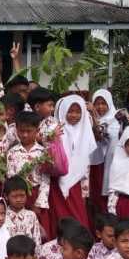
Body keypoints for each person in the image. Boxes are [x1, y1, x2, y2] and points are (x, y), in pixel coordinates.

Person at [49, 95, 97, 232]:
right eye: (70, 111)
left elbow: (86, 160)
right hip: (58, 181)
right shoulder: (55, 129)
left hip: (78, 184)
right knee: (60, 216)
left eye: (78, 111)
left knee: (78, 215)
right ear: (63, 111)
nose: (74, 115)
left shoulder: (85, 129)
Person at [6, 112, 51, 232]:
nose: (25, 135)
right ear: (16, 130)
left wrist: (39, 202)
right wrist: (13, 199)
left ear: (37, 130)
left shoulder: (43, 152)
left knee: (37, 229)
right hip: (18, 195)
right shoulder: (12, 152)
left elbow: (45, 179)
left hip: (36, 194)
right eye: (21, 131)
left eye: (29, 131)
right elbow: (11, 177)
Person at [89, 89, 121, 213]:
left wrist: (94, 116)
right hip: (94, 163)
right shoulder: (87, 119)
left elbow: (102, 135)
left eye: (104, 103)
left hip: (108, 164)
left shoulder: (116, 120)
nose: (100, 107)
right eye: (97, 103)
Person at [2, 176, 45, 247]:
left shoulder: (31, 215)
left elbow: (37, 239)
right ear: (6, 196)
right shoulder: (3, 215)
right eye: (14, 196)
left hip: (28, 256)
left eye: (22, 195)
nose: (19, 199)